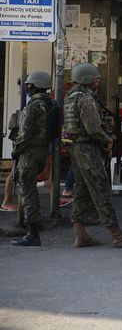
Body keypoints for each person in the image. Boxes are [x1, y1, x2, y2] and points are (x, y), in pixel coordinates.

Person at [65, 63, 122, 248]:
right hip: (89, 150)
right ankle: (117, 235)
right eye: (95, 78)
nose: (98, 81)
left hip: (78, 149)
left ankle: (80, 234)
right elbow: (93, 128)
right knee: (101, 191)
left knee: (81, 192)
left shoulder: (71, 97)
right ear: (86, 80)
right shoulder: (85, 99)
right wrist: (108, 139)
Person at [11, 72, 54, 246]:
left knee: (28, 192)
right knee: (31, 191)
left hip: (29, 152)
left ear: (34, 86)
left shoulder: (33, 106)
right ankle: (33, 230)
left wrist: (16, 151)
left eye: (29, 85)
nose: (27, 88)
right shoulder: (51, 104)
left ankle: (32, 233)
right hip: (43, 150)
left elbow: (24, 134)